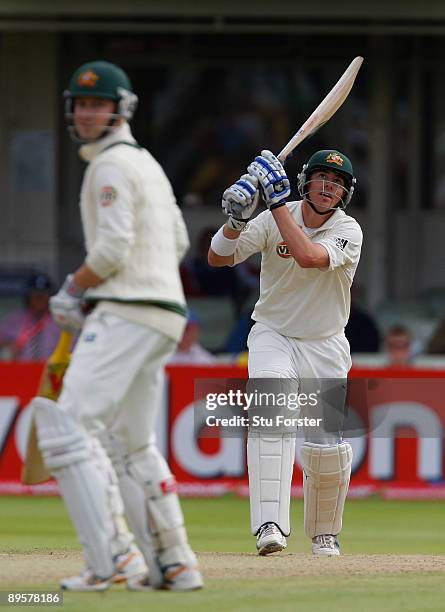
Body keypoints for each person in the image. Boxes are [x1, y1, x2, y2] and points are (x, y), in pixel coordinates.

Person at [32, 60, 202, 591]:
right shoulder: (147, 163)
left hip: (127, 309)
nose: (87, 113)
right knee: (131, 440)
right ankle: (174, 562)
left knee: (69, 427)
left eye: (97, 104)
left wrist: (74, 288)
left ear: (119, 109)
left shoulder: (107, 166)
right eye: (81, 104)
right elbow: (175, 241)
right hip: (161, 313)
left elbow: (111, 247)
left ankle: (113, 560)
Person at [208, 149, 362, 557]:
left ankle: (324, 533)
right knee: (270, 419)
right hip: (272, 333)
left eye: (337, 183)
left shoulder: (349, 231)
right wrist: (235, 221)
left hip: (325, 343)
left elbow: (310, 257)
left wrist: (274, 204)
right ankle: (269, 525)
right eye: (321, 179)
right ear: (305, 181)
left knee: (327, 448)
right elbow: (217, 257)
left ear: (345, 192)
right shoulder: (274, 216)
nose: (328, 188)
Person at [0, 273, 60, 360]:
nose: (39, 298)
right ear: (27, 297)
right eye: (35, 294)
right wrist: (6, 346)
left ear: (51, 297)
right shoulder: (12, 320)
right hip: (19, 371)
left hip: (52, 371)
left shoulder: (61, 322)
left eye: (44, 294)